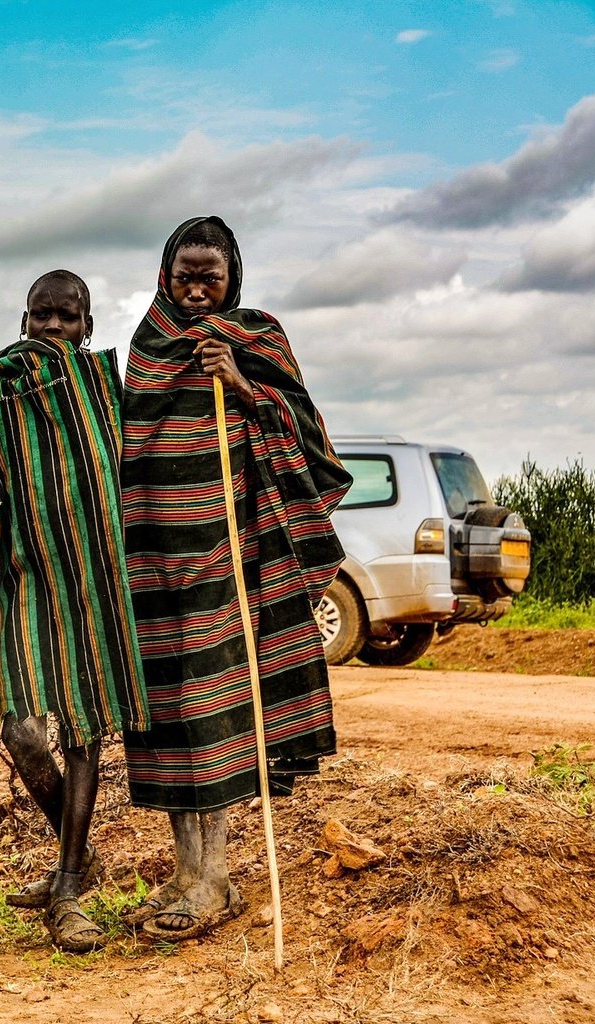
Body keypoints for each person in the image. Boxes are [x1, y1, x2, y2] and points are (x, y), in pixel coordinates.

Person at [119, 216, 351, 939]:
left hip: (228, 555)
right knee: (166, 718)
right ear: (164, 275)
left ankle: (215, 879)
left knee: (213, 707)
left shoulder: (258, 338)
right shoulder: (145, 347)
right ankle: (184, 874)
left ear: (232, 280)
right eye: (184, 275)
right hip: (152, 559)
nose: (195, 290)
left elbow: (308, 440)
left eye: (209, 277)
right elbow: (127, 442)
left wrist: (243, 384)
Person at [0, 270, 150, 952]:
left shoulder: (108, 397)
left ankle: (66, 886)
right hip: (26, 580)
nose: (55, 328)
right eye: (43, 316)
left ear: (88, 324)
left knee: (86, 726)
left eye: (69, 317)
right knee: (24, 735)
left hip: (94, 582)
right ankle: (80, 857)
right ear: (23, 320)